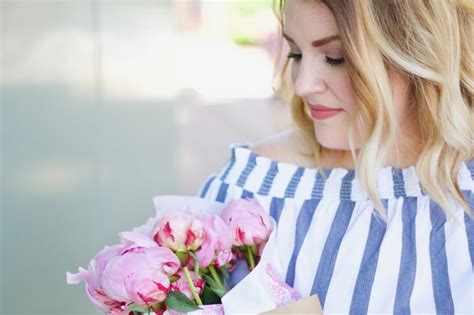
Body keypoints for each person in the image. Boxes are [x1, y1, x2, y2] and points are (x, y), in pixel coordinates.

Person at [197, 0, 473, 314]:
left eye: (334, 58)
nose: (302, 85)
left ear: (420, 51)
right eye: (296, 54)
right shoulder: (252, 187)